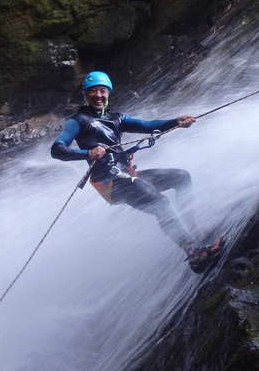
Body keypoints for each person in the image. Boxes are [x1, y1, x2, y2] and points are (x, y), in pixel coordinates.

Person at [51, 71, 224, 273]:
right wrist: (87, 152)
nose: (98, 95)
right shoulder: (78, 120)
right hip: (109, 181)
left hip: (126, 174)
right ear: (86, 94)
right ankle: (192, 252)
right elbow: (57, 149)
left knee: (181, 177)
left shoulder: (116, 118)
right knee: (159, 202)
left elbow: (147, 125)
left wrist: (176, 121)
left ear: (108, 93)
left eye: (103, 90)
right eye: (93, 91)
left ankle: (195, 231)